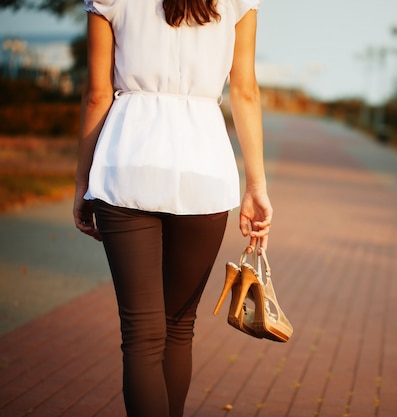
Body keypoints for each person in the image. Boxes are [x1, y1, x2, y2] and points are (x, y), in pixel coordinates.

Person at [72, 0, 272, 416]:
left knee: (142, 336)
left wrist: (82, 181)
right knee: (179, 328)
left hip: (126, 164)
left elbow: (96, 94)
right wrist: (256, 184)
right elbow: (245, 91)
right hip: (205, 169)